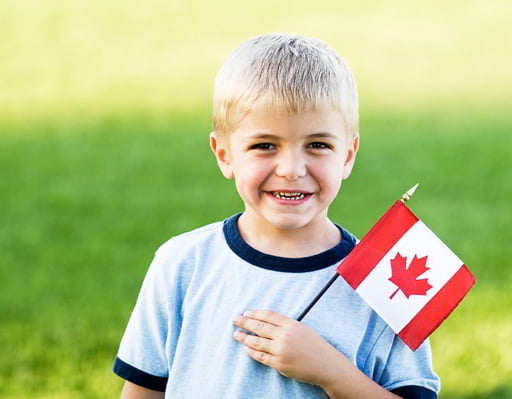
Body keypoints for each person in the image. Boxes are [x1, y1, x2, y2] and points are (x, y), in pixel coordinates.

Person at [112, 33, 440, 398]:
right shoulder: (181, 264)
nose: (291, 168)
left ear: (347, 155)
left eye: (318, 145)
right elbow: (143, 391)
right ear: (224, 154)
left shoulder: (385, 282)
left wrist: (332, 372)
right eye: (264, 145)